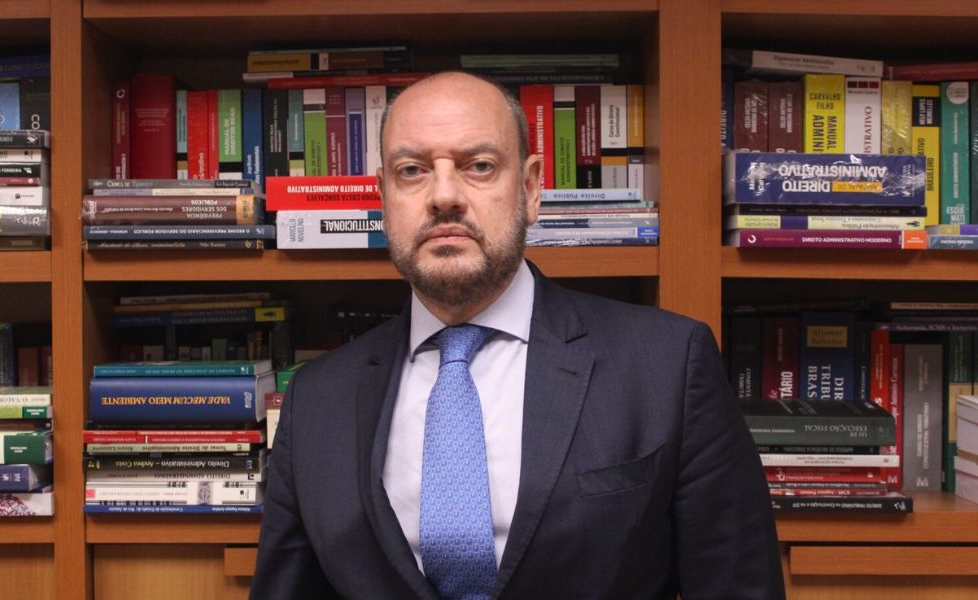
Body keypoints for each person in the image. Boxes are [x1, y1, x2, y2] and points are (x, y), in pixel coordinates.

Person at [251, 71, 785, 599]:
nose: (444, 196)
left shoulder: (669, 364)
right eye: (411, 170)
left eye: (479, 166)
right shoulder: (316, 399)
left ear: (530, 189)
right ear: (384, 197)